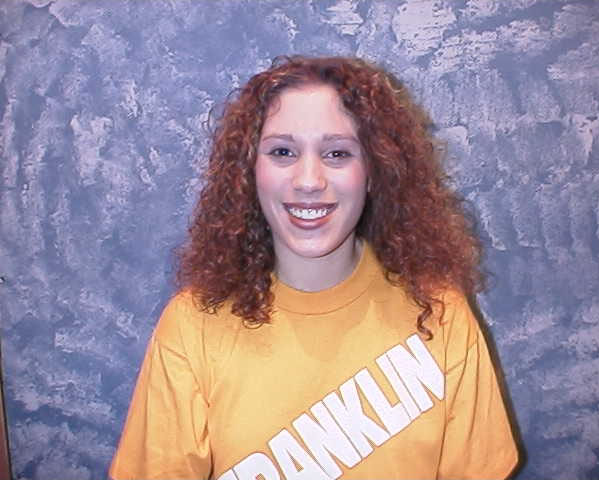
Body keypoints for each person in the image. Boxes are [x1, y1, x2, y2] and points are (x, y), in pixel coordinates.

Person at [109, 56, 519, 480]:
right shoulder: (193, 324)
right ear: (250, 171)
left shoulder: (440, 316)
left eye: (337, 153)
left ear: (374, 171)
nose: (308, 180)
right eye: (282, 152)